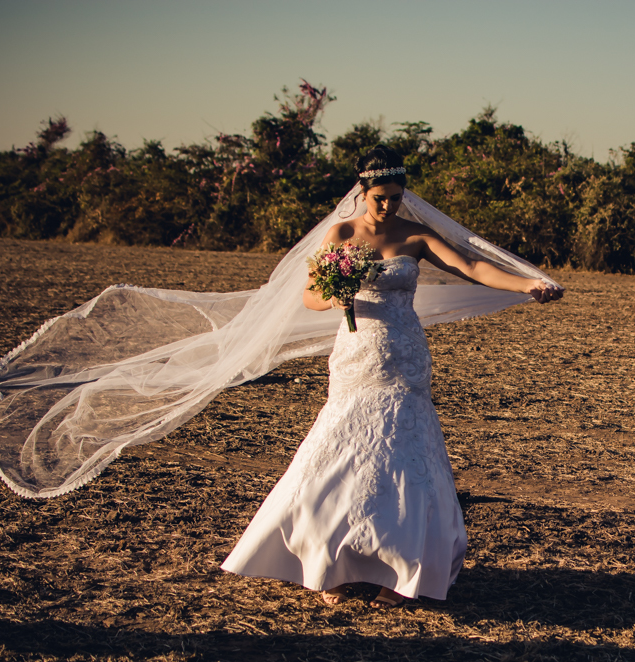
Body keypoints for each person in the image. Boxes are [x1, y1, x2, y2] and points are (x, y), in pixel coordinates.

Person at [219, 146, 562, 608]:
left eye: (396, 197)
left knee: (402, 455)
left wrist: (528, 284)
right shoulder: (340, 233)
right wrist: (337, 291)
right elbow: (310, 298)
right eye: (380, 197)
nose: (388, 206)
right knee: (342, 450)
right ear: (362, 192)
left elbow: (470, 265)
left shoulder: (416, 235)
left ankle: (401, 569)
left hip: (404, 356)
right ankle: (329, 564)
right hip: (356, 356)